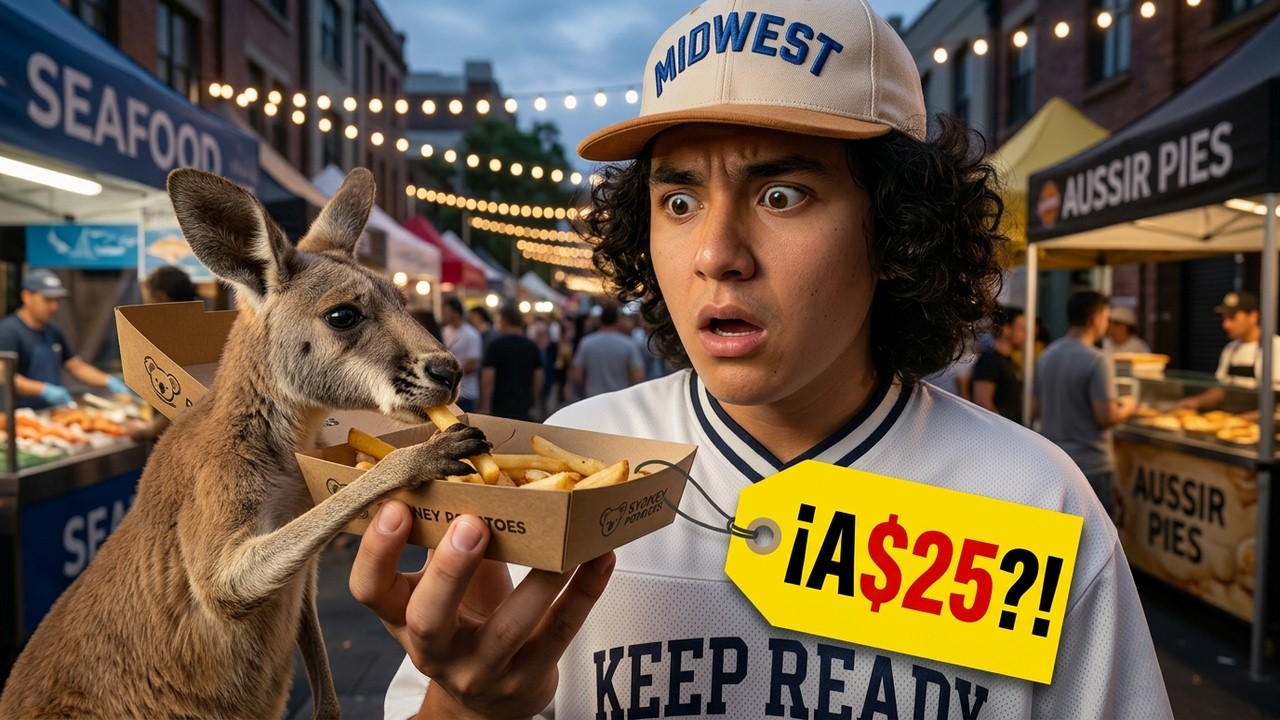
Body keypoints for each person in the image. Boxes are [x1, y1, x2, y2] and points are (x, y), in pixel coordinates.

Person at [352, 0, 1172, 716]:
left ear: (896, 227)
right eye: (679, 200)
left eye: (783, 195)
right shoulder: (568, 463)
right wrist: (468, 708)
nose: (716, 253)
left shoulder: (1036, 501)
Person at [1034, 290, 1138, 518]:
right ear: (1095, 319)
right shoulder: (1097, 359)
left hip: (1054, 463)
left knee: (1061, 535)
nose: (1107, 324)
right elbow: (1106, 417)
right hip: (1091, 466)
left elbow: (1035, 408)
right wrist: (1129, 406)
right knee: (1095, 536)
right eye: (1106, 317)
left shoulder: (1046, 356)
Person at [0, 268, 132, 409]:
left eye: (56, 300)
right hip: (18, 413)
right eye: (47, 299)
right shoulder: (7, 331)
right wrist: (44, 390)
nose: (54, 306)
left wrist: (108, 381)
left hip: (50, 412)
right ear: (26, 296)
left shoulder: (53, 331)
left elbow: (76, 366)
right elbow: (3, 375)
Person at [124, 266, 200, 442]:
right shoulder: (204, 322)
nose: (145, 307)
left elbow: (187, 400)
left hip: (183, 441)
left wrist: (148, 430)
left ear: (161, 297)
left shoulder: (180, 334)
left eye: (147, 300)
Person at [1178, 290, 1280, 411]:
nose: (1226, 325)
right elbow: (1220, 391)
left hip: (1261, 422)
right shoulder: (1230, 349)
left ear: (1253, 316)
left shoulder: (1275, 347)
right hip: (1230, 418)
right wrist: (1196, 402)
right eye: (1224, 318)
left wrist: (1247, 418)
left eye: (1232, 318)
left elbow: (1277, 403)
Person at [478, 304, 543, 421]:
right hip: (524, 406)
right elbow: (538, 375)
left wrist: (484, 405)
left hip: (500, 406)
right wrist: (534, 400)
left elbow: (488, 377)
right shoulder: (531, 346)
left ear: (505, 320)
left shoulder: (496, 346)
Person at [570, 303, 645, 399]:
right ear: (618, 321)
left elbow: (577, 375)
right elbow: (638, 376)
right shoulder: (629, 344)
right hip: (620, 399)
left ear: (600, 320)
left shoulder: (586, 343)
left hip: (593, 399)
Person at [971, 305, 1026, 423]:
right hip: (998, 431)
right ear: (1007, 330)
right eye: (1021, 329)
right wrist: (1001, 429)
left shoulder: (1010, 362)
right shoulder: (990, 360)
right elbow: (982, 402)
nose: (1025, 335)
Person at [439, 297, 483, 412]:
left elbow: (473, 364)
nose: (442, 315)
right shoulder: (444, 332)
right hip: (447, 392)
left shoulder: (471, 334)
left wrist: (447, 371)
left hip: (467, 393)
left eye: (445, 311)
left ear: (455, 313)